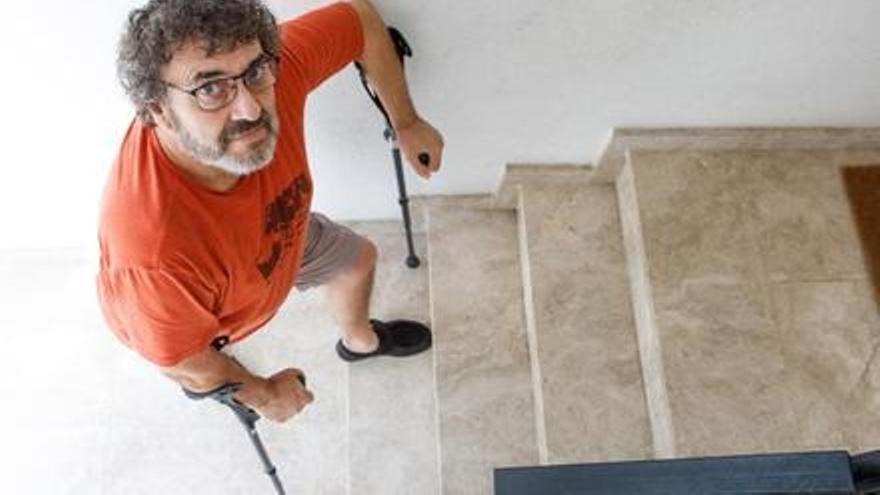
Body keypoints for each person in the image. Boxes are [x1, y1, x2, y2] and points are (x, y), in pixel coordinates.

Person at [97, 0, 444, 423]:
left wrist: (406, 122)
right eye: (210, 89)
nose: (251, 109)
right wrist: (264, 395)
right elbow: (182, 360)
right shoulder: (151, 257)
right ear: (157, 111)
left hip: (281, 227)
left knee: (359, 260)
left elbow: (359, 20)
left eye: (255, 72)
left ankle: (360, 341)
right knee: (203, 360)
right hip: (212, 304)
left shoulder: (275, 72)